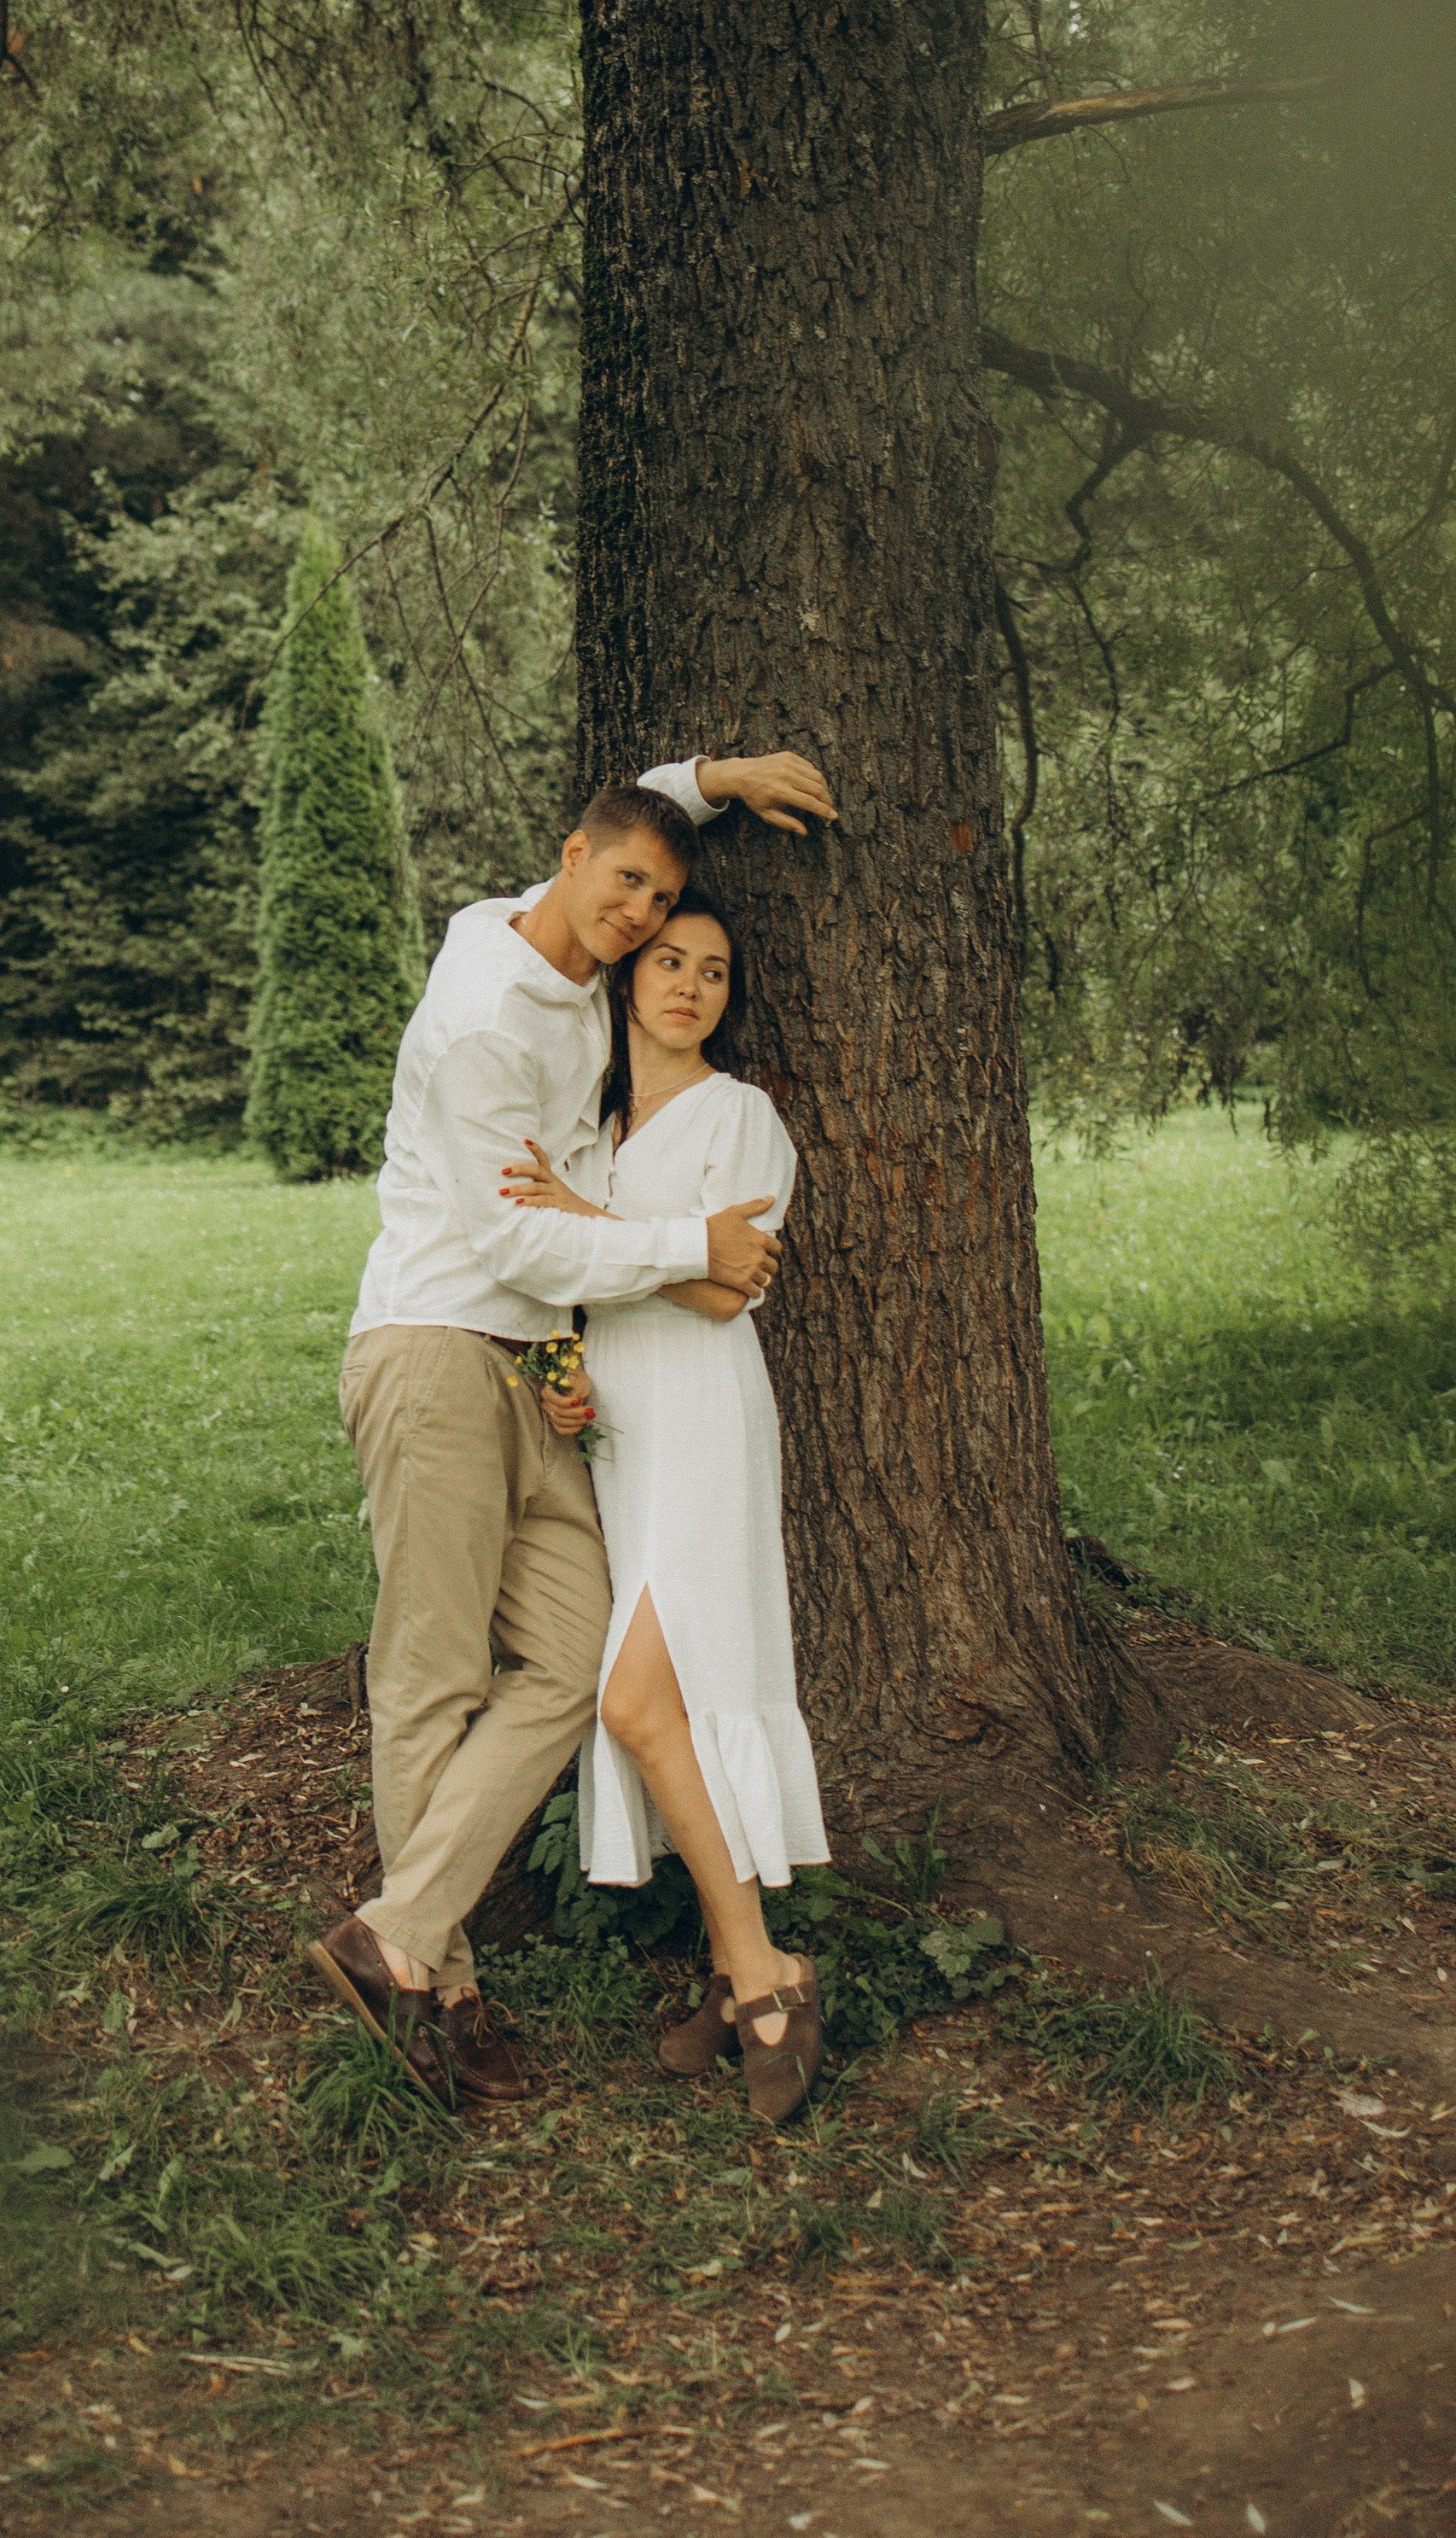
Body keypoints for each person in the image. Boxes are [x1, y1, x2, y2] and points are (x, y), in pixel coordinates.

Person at [310, 751, 838, 2107]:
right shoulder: (489, 1013)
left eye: (657, 902)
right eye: (626, 894)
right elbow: (509, 1236)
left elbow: (636, 818)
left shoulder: (509, 929)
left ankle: (399, 1933)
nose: (638, 920)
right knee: (431, 1674)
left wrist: (714, 780)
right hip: (438, 1346)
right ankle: (439, 1990)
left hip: (546, 1376)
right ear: (564, 860)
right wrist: (684, 1243)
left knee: (562, 1662)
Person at [500, 885, 828, 2127]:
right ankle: (740, 1964)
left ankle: (765, 1977)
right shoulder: (588, 1131)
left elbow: (718, 1293)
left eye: (716, 972)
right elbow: (560, 1296)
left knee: (637, 1702)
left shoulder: (742, 1120)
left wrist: (586, 1224)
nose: (690, 985)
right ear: (628, 977)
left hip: (704, 1420)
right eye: (670, 962)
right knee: (669, 1708)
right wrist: (558, 1382)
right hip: (620, 1440)